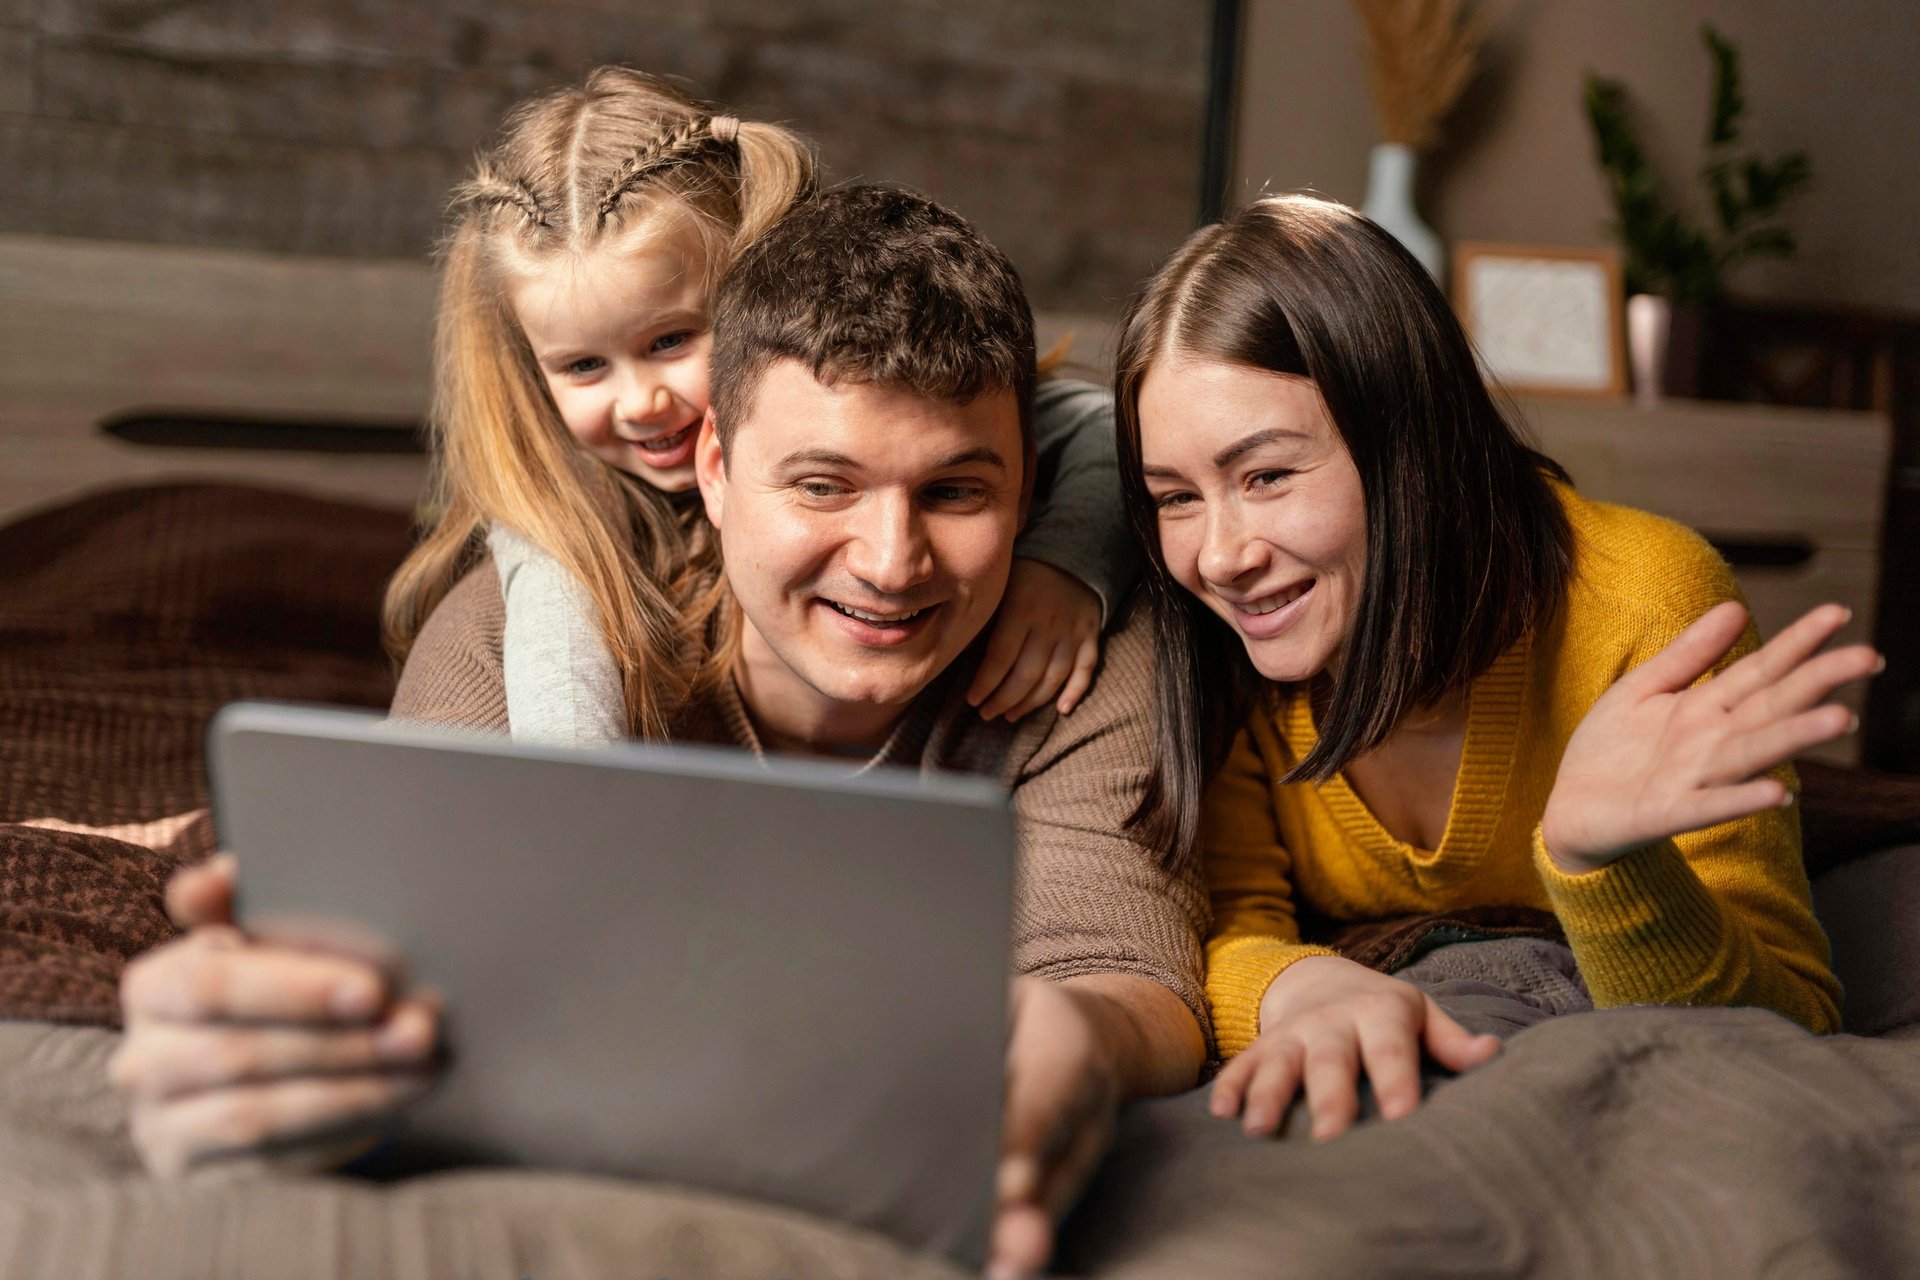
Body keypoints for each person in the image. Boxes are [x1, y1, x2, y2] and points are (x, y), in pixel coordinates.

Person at [112, 186, 1209, 1280]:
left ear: (1028, 487)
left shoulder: (1082, 649)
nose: (890, 562)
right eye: (822, 485)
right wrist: (303, 1025)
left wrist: (1082, 1037)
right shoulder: (522, 632)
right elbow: (410, 949)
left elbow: (1125, 968)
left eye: (956, 493)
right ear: (717, 467)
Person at [1111, 194, 1874, 1144]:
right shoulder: (1215, 645)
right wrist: (1301, 987)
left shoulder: (1644, 606)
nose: (1221, 557)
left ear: (1409, 443)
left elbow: (1792, 1025)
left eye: (1267, 475)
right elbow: (1231, 923)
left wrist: (1605, 864)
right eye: (1175, 497)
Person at [383, 67, 1130, 748]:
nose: (642, 402)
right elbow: (565, 722)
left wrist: (1067, 565)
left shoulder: (885, 398)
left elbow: (1104, 427)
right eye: (584, 366)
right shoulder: (556, 538)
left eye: (672, 340)